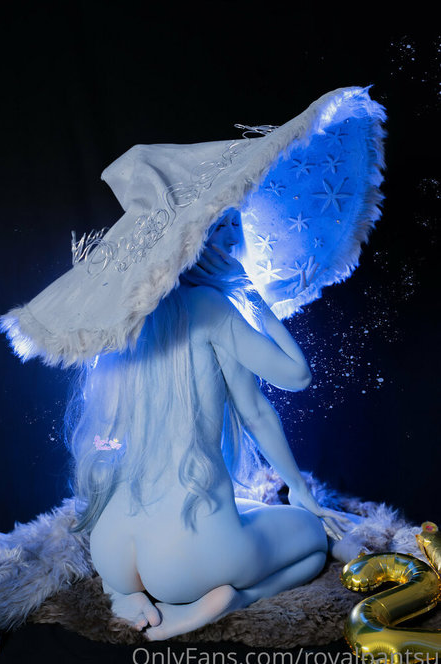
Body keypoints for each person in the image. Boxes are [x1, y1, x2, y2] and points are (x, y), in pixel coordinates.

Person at [68, 208, 361, 641]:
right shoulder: (209, 306)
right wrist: (249, 292)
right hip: (186, 559)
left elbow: (248, 405)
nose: (230, 239)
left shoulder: (131, 317)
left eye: (235, 225)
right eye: (216, 227)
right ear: (191, 241)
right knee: (315, 541)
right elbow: (292, 380)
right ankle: (233, 599)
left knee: (253, 509)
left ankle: (124, 594)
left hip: (111, 547)